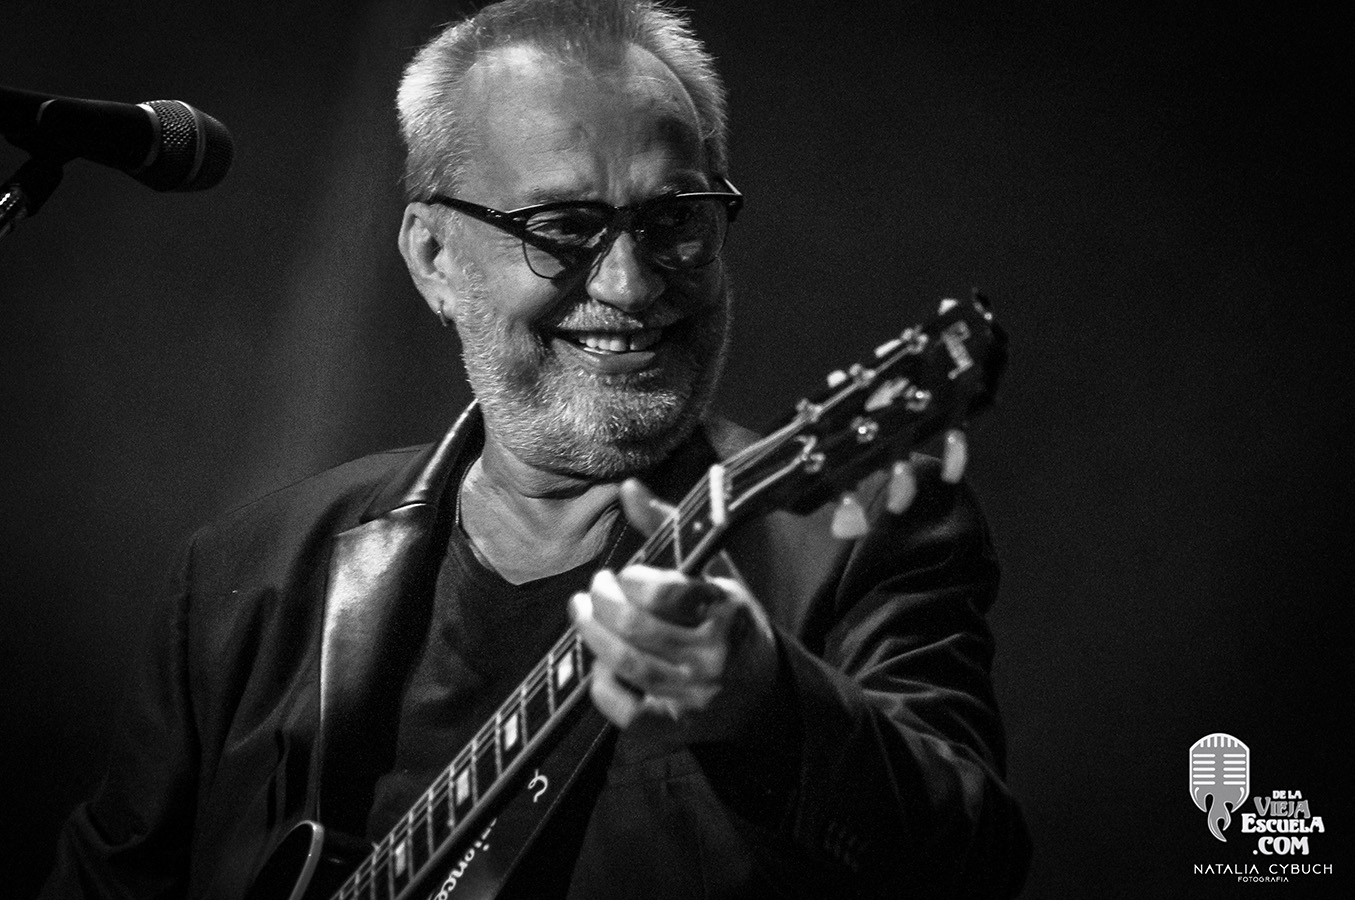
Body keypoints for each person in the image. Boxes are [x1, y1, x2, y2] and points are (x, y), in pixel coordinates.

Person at [40, 1, 1030, 897]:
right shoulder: (244, 579)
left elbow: (973, 862)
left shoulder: (856, 536)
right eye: (561, 226)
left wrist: (765, 707)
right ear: (433, 258)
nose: (630, 285)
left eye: (674, 220)